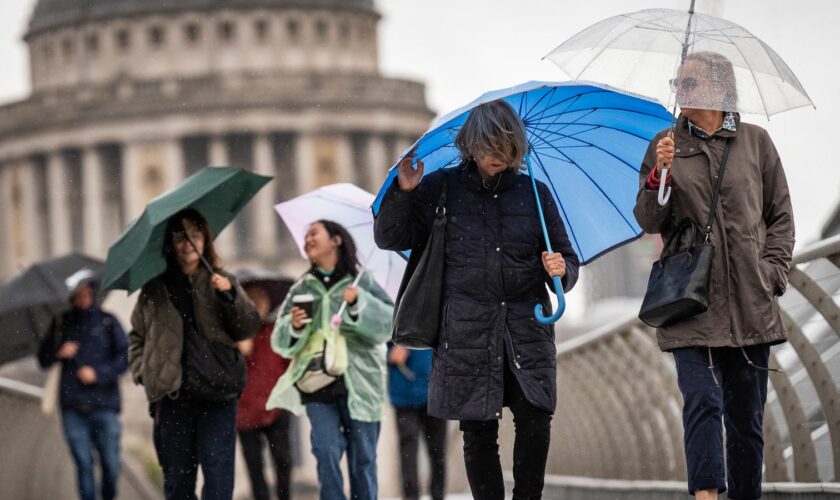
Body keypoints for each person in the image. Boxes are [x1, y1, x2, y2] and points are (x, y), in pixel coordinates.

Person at [374, 100, 580, 500]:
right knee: (478, 431)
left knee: (536, 419)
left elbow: (567, 259)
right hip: (466, 330)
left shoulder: (535, 194)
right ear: (470, 145)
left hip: (526, 328)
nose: (496, 155)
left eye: (505, 147)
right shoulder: (441, 188)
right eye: (488, 146)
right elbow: (391, 237)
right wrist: (404, 192)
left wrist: (562, 269)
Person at [633, 51, 794, 500]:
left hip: (750, 303)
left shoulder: (757, 142)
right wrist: (658, 176)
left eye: (688, 83)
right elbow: (648, 220)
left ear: (720, 88)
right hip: (690, 301)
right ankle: (705, 496)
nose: (678, 91)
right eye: (677, 82)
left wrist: (772, 274)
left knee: (747, 421)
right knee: (702, 400)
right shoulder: (663, 144)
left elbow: (780, 216)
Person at [128, 208, 260, 500]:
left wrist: (230, 296)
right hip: (173, 398)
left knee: (218, 479)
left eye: (195, 234)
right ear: (170, 246)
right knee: (177, 482)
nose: (188, 242)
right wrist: (144, 371)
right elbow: (137, 336)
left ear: (205, 241)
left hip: (217, 393)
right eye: (180, 237)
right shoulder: (154, 290)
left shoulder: (221, 280)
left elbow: (247, 327)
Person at [267, 220, 393, 500]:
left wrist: (359, 303)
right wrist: (295, 326)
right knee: (325, 452)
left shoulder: (362, 281)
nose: (308, 239)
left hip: (360, 384)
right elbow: (279, 341)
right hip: (317, 383)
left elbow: (388, 325)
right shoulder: (301, 288)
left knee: (363, 459)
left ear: (336, 240)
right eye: (306, 236)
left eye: (314, 233)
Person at [37, 277, 128, 500]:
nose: (82, 298)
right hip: (72, 406)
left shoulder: (108, 322)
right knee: (83, 463)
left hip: (104, 404)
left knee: (111, 463)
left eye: (86, 293)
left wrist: (98, 374)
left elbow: (125, 359)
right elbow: (43, 359)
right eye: (78, 294)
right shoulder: (60, 324)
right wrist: (59, 352)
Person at [236, 283, 293, 500]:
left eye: (260, 301)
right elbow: (227, 374)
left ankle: (284, 496)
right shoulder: (236, 337)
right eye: (251, 301)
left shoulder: (275, 331)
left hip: (276, 406)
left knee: (283, 459)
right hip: (245, 411)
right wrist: (241, 352)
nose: (257, 306)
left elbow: (289, 363)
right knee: (254, 465)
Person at [387, 344, 446, 500]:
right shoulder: (389, 319)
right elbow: (375, 342)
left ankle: (438, 495)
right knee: (408, 451)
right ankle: (411, 496)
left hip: (435, 391)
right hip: (403, 394)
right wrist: (389, 353)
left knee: (437, 450)